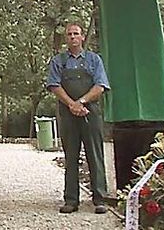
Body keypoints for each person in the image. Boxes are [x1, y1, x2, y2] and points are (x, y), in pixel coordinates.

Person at [46, 22, 111, 214]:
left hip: (90, 113)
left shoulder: (94, 60)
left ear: (82, 37)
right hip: (68, 114)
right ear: (66, 38)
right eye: (69, 34)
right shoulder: (59, 61)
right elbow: (54, 85)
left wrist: (81, 102)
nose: (73, 37)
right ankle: (71, 200)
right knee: (71, 156)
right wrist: (71, 104)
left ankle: (100, 199)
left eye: (76, 34)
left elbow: (100, 86)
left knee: (95, 155)